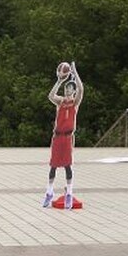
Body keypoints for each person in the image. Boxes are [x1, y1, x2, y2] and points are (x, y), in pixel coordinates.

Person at [43, 62, 83, 209]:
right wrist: (59, 81)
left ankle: (69, 194)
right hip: (57, 136)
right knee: (53, 165)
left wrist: (75, 72)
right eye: (67, 88)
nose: (68, 90)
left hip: (67, 137)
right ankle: (49, 191)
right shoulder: (60, 102)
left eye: (71, 88)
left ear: (73, 91)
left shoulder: (75, 102)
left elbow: (81, 89)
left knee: (67, 165)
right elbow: (50, 95)